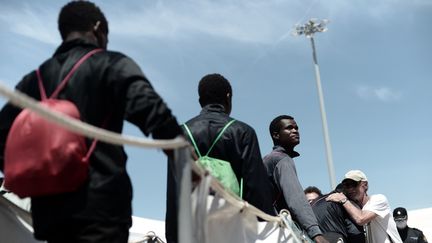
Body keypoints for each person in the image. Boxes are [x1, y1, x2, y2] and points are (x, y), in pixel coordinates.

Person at [0, 1, 183, 242]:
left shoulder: (32, 81)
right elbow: (154, 113)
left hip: (50, 214)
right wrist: (185, 160)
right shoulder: (110, 64)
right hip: (101, 209)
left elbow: (3, 137)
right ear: (97, 28)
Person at [165, 73, 276, 243]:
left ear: (200, 100)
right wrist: (265, 225)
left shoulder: (180, 135)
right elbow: (255, 188)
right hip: (233, 225)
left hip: (194, 225)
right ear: (228, 97)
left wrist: (172, 236)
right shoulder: (243, 132)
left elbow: (174, 190)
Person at [262, 115, 328, 243]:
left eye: (296, 128)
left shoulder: (269, 159)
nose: (295, 131)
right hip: (280, 230)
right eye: (289, 128)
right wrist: (316, 233)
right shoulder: (281, 159)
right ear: (276, 135)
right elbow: (296, 199)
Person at [326, 170, 402, 243]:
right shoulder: (354, 208)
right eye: (347, 185)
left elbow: (361, 219)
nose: (350, 189)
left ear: (365, 185)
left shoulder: (379, 199)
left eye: (354, 184)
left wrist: (343, 200)